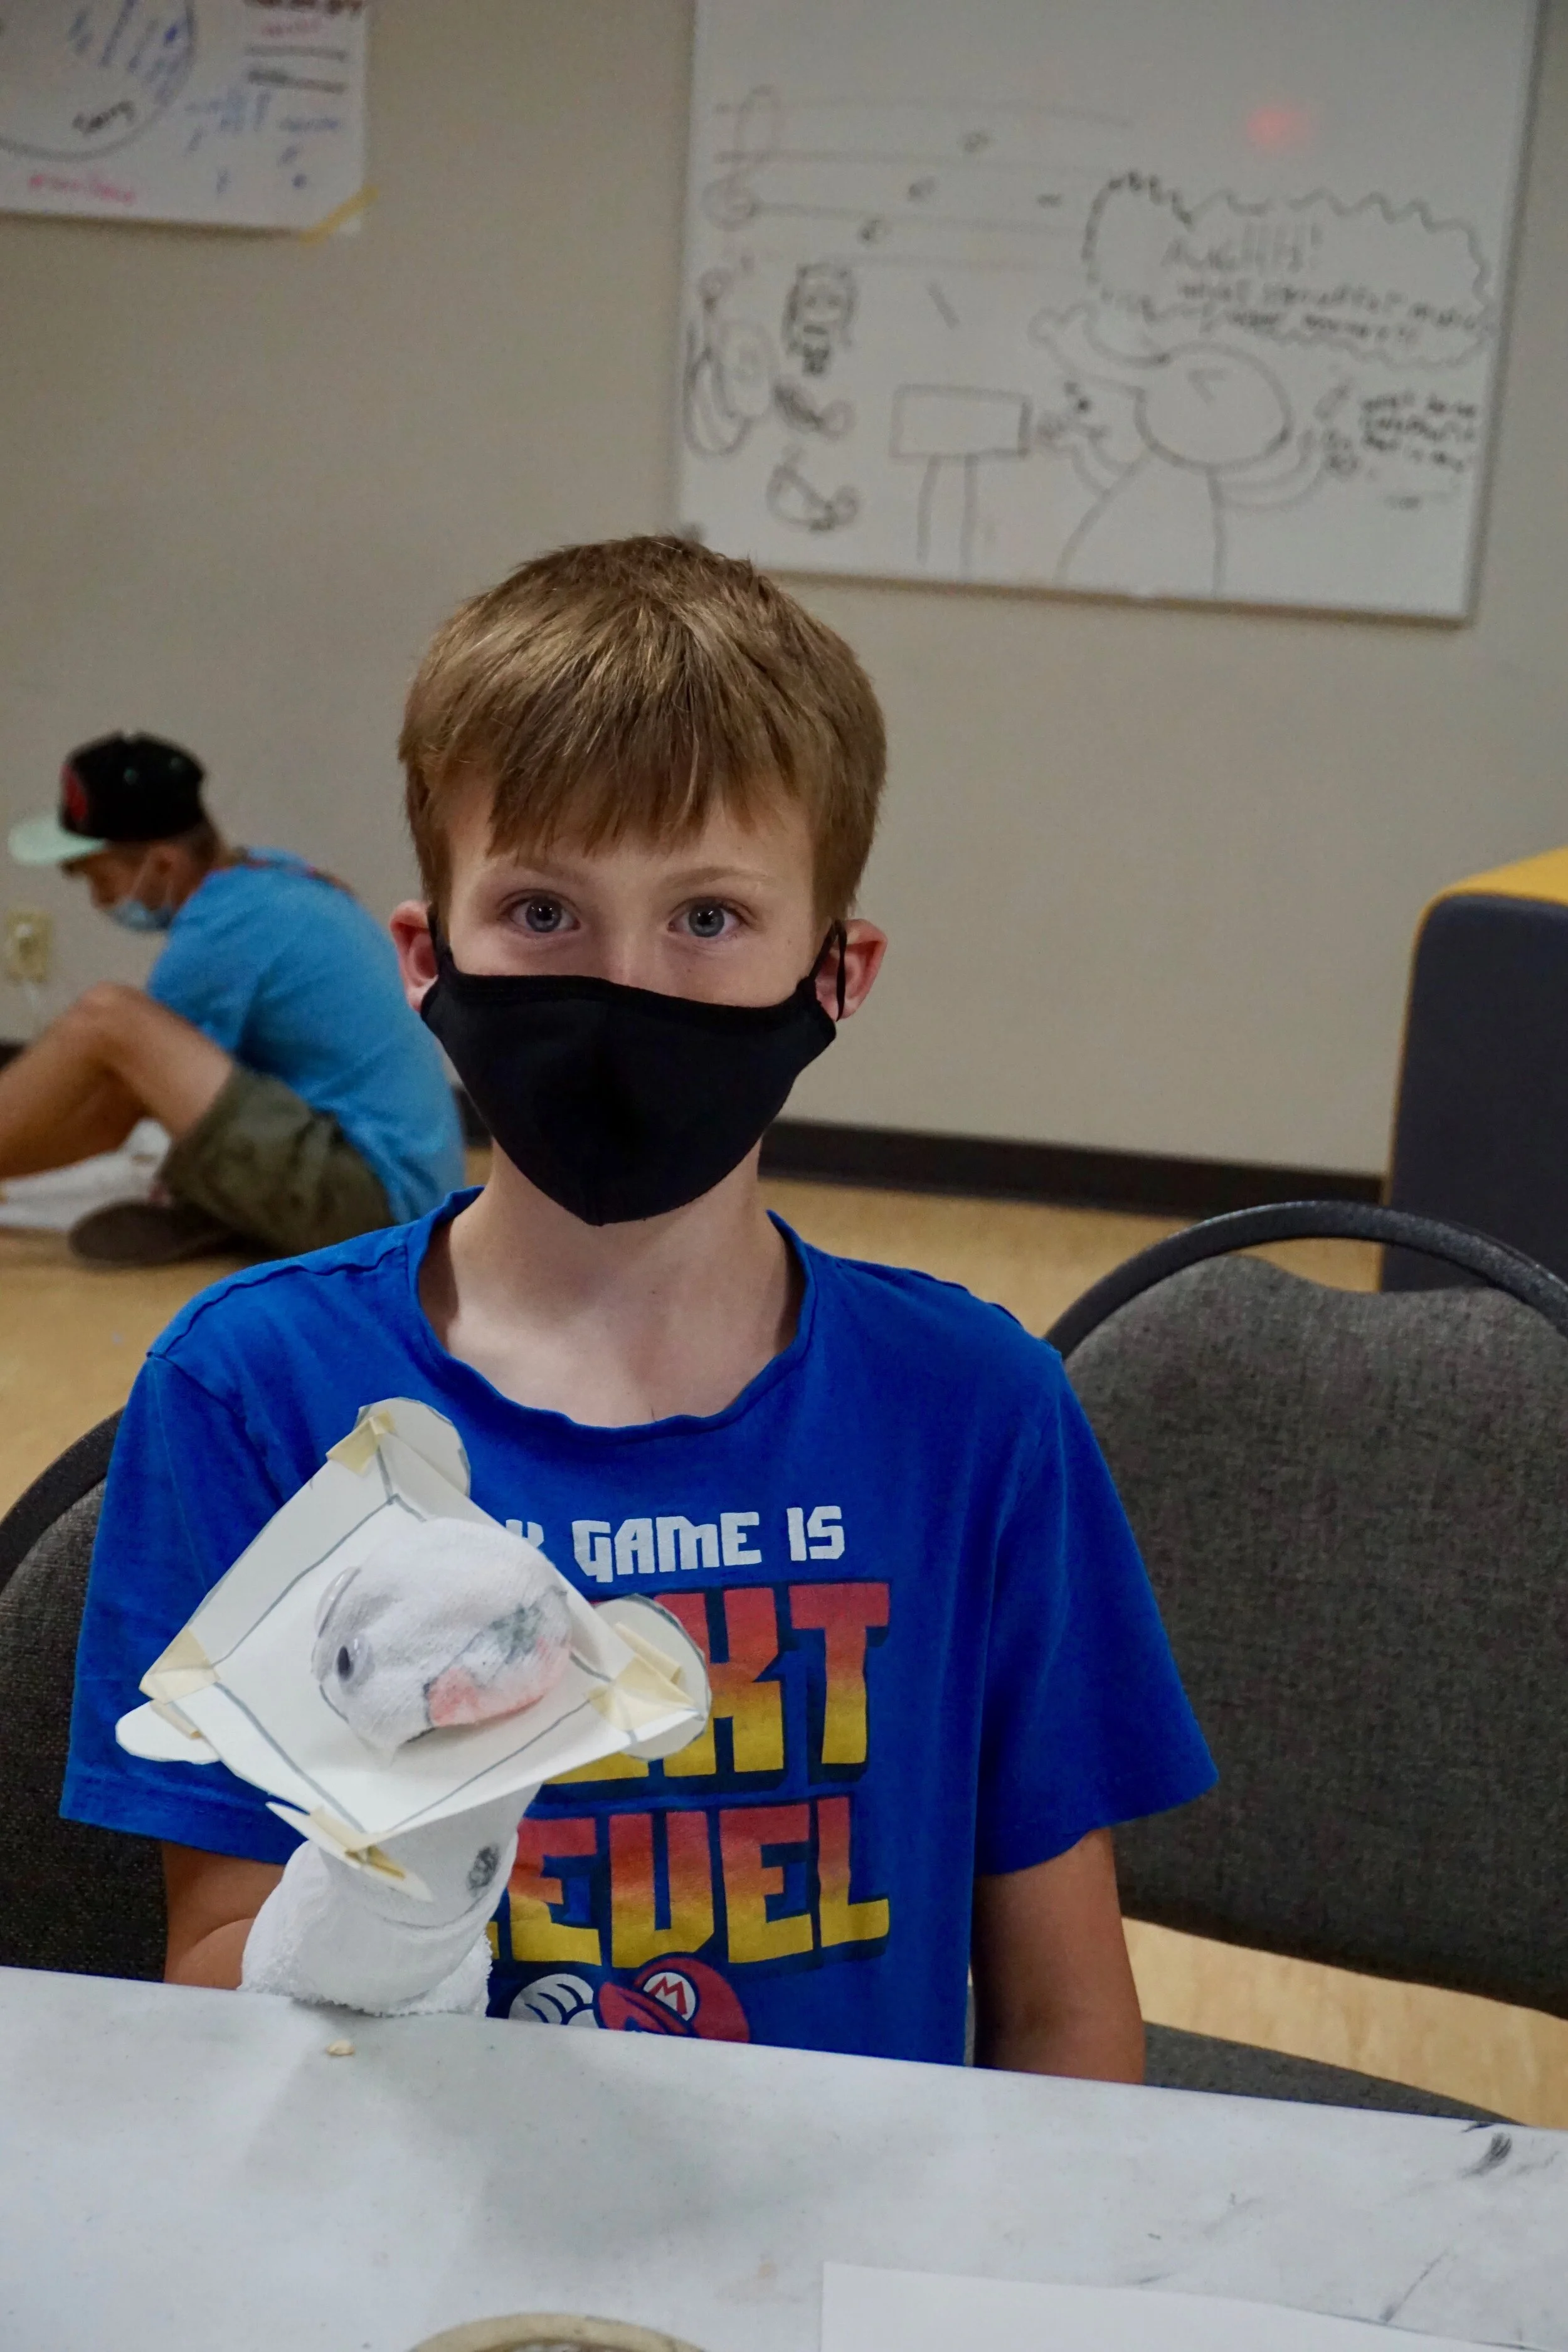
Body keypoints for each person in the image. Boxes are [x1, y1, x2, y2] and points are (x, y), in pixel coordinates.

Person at [64, 539, 1214, 2070]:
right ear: (426, 954)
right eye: (542, 910)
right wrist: (399, 1891)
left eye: (709, 918)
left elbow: (1062, 2008)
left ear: (837, 971)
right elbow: (217, 1973)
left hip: (852, 2209)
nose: (626, 985)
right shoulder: (254, 1388)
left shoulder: (973, 1409)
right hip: (408, 2206)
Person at [3, 733, 465, 1265]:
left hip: (382, 1205)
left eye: (103, 881)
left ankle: (220, 1201)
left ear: (164, 865)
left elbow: (111, 1117)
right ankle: (222, 1203)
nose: (98, 901)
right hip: (414, 1186)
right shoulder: (268, 877)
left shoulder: (220, 931)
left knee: (108, 1018)